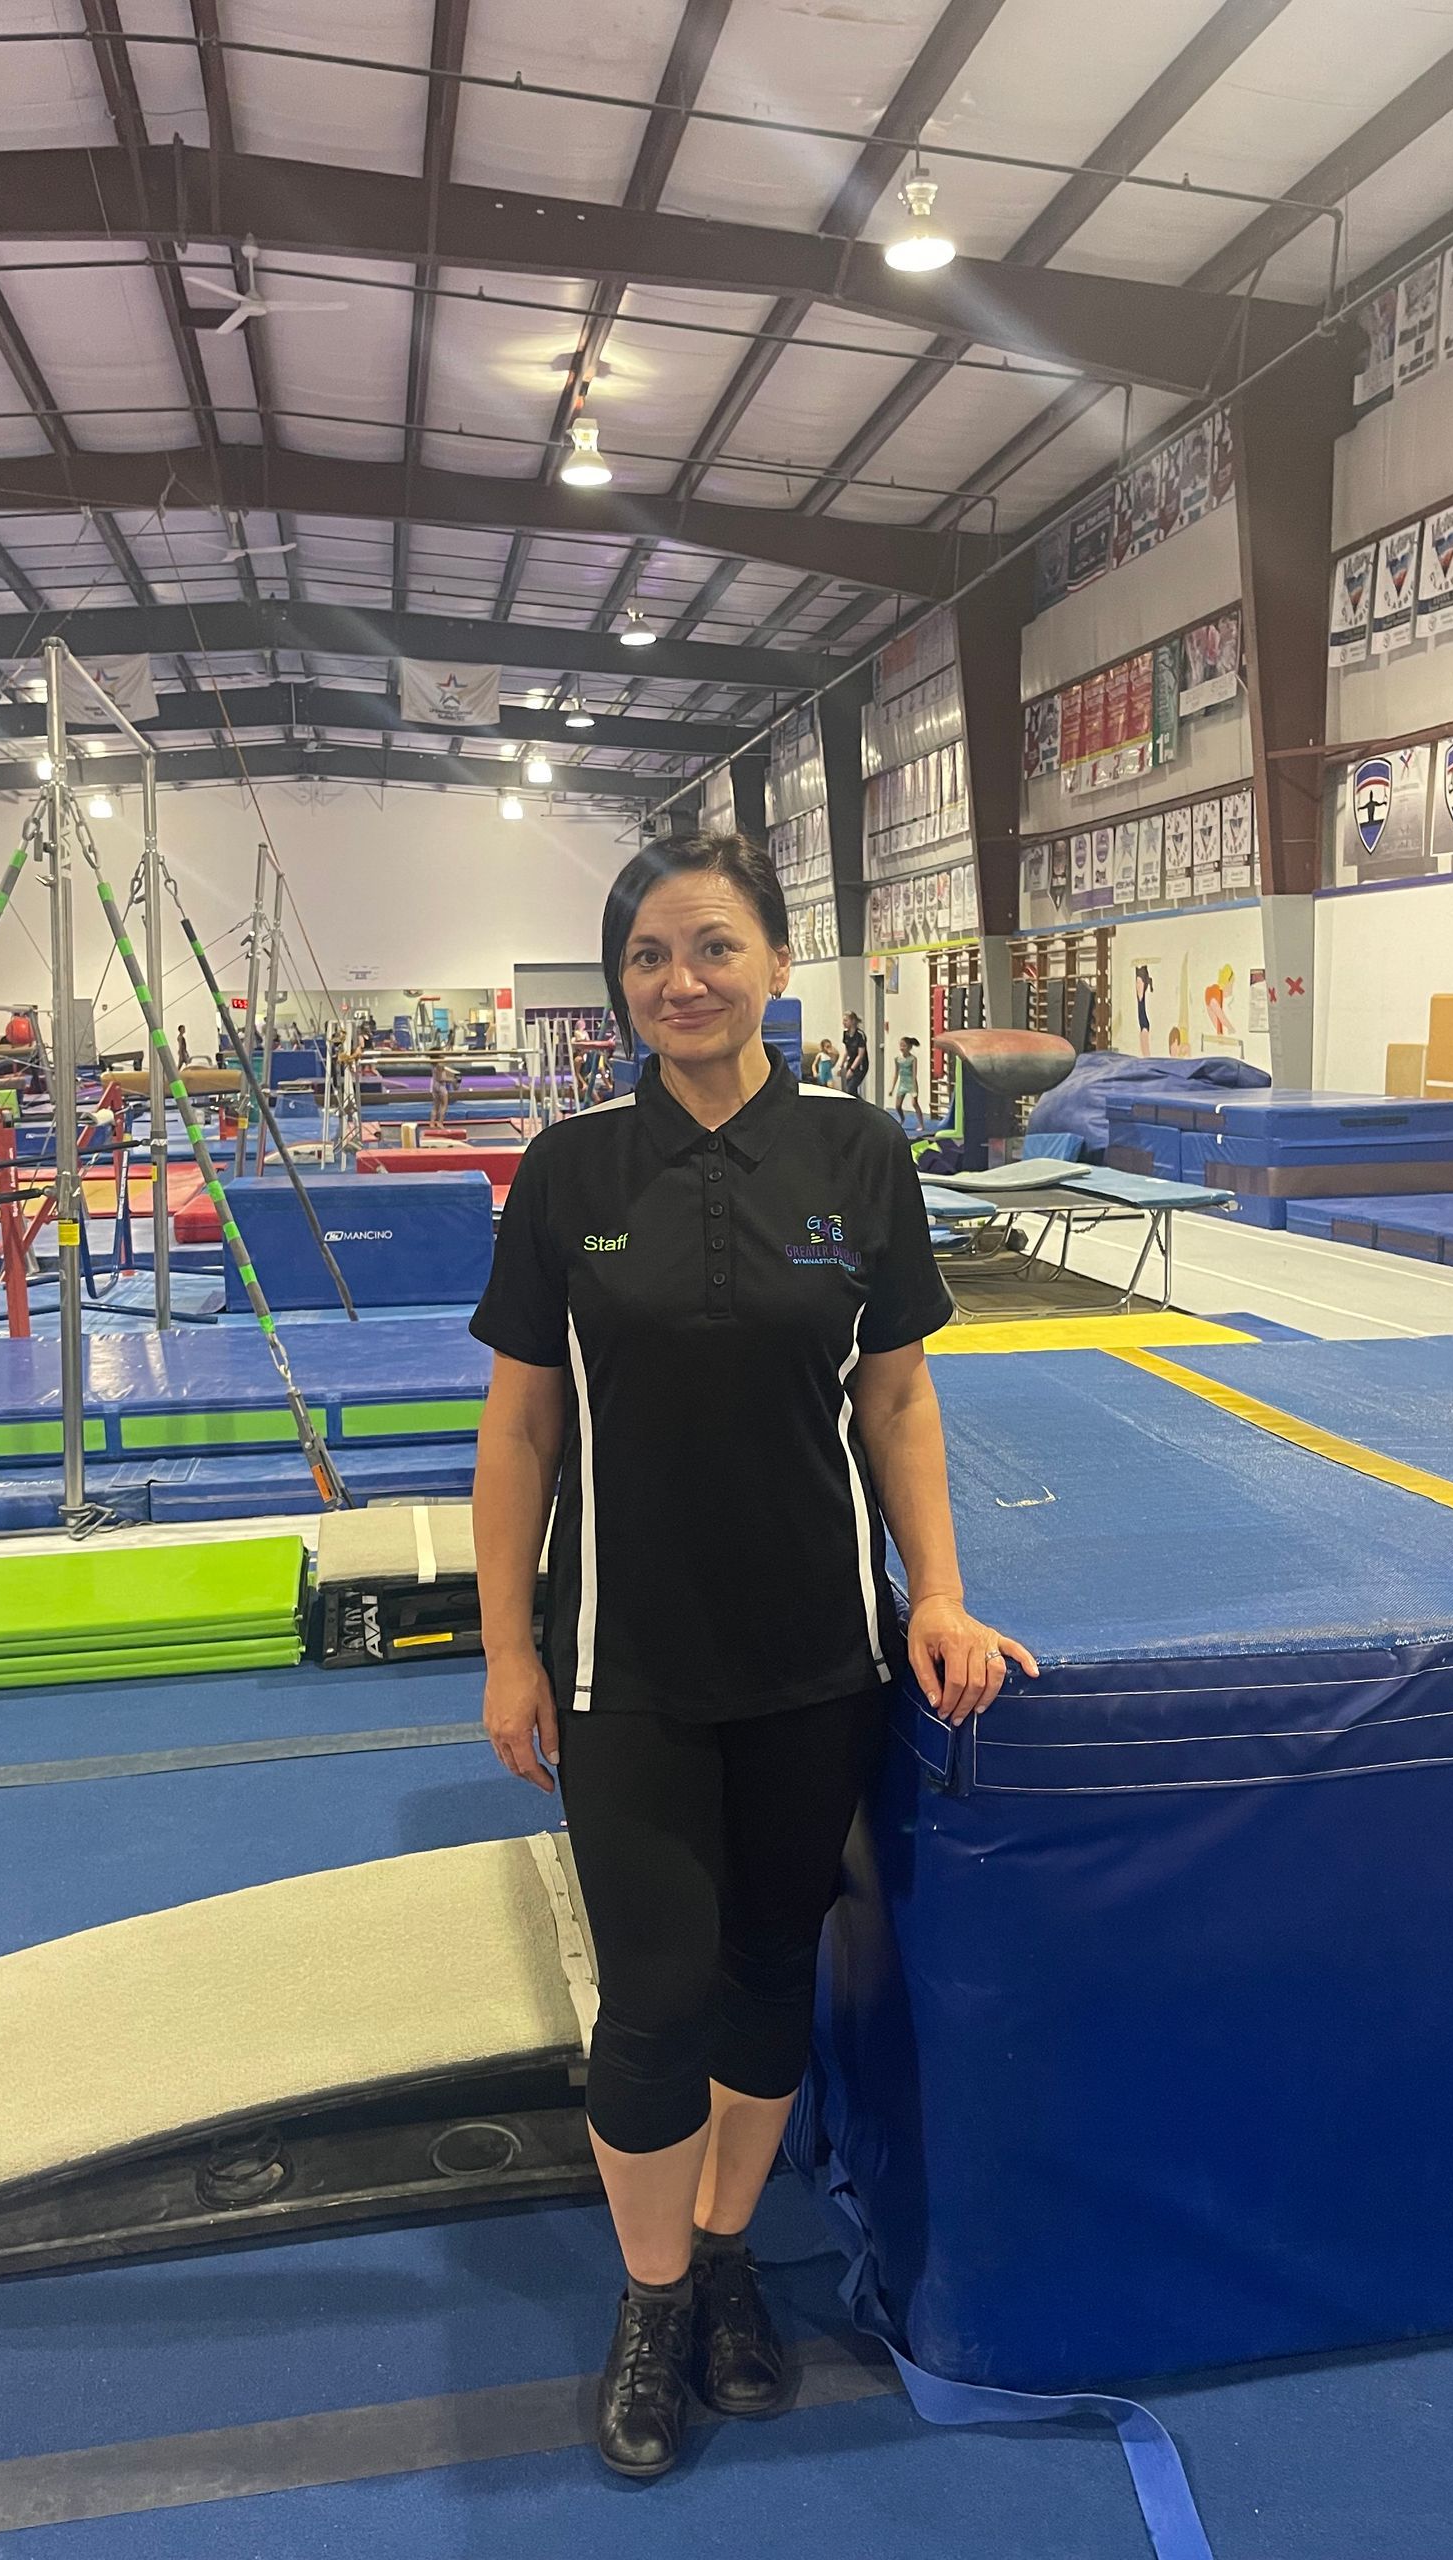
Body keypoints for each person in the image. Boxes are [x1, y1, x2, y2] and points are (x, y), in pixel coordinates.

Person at [469, 831, 1036, 2483]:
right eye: (647, 956)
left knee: (770, 1972)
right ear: (622, 985)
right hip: (621, 1658)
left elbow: (899, 1398)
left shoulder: (859, 1157)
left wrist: (935, 1590)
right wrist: (506, 1649)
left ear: (780, 964)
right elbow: (519, 1430)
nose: (680, 981)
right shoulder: (572, 1172)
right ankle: (651, 2301)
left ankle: (724, 2251)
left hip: (814, 1654)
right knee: (652, 2000)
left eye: (712, 947)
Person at [889, 1036, 922, 1133]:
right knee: (898, 1106)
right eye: (900, 1046)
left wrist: (915, 1089)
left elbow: (914, 1074)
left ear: (909, 1047)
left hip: (911, 1083)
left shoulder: (913, 1059)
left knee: (914, 1103)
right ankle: (902, 1119)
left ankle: (921, 1123)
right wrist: (892, 1088)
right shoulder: (897, 1059)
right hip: (902, 1083)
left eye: (904, 1046)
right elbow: (896, 1074)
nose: (902, 1048)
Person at [839, 1009, 868, 1098]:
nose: (843, 1023)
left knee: (851, 1089)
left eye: (846, 1020)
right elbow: (847, 1051)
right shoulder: (846, 1034)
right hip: (851, 1062)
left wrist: (852, 1069)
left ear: (852, 1021)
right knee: (849, 1091)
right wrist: (841, 1064)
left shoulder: (860, 1035)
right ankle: (857, 1108)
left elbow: (860, 1055)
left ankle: (863, 1107)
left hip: (860, 1065)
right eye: (843, 1020)